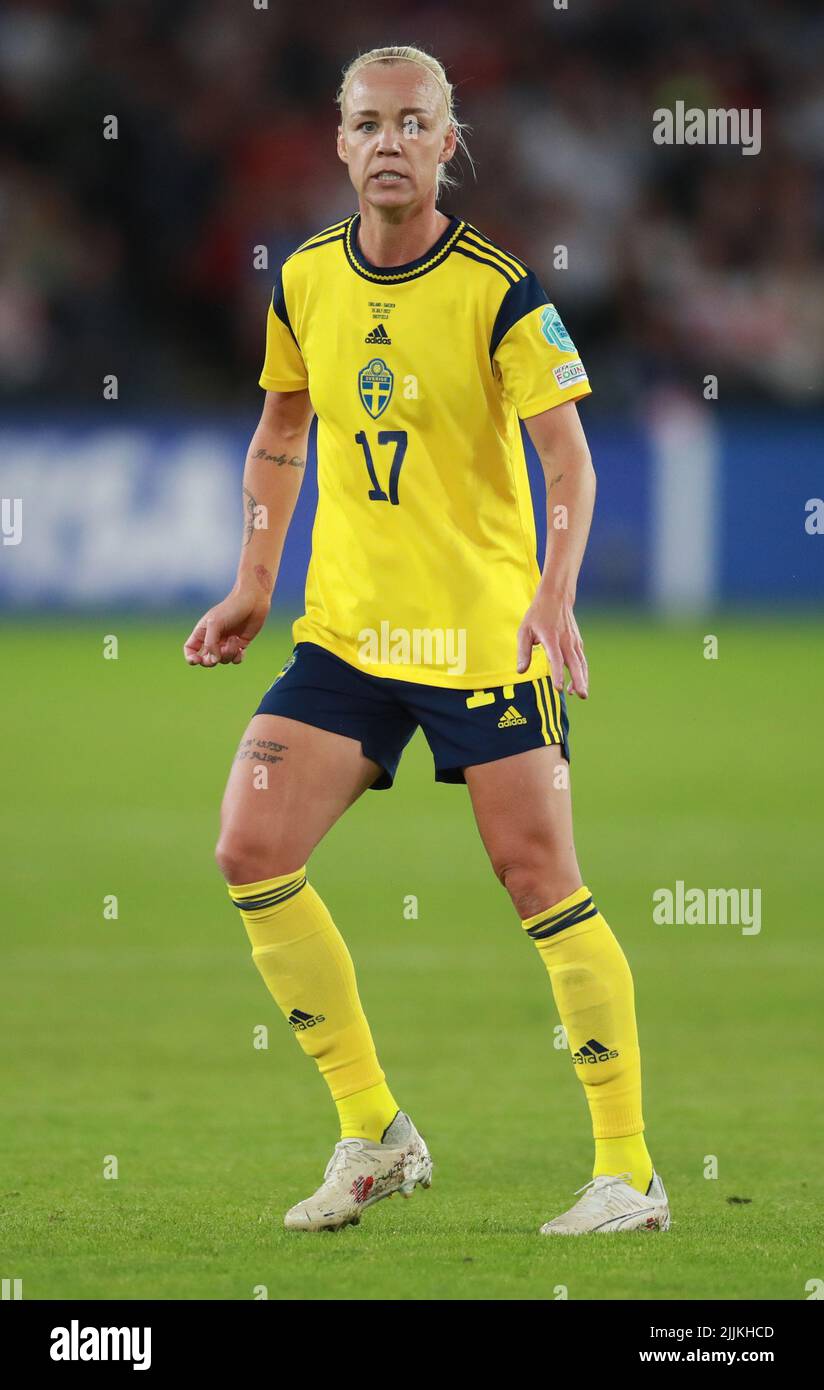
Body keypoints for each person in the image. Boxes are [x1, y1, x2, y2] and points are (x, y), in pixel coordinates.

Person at [184, 44, 670, 1236]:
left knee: (537, 879)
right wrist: (254, 582)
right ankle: (374, 1133)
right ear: (338, 141)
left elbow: (566, 457)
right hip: (346, 638)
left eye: (414, 123)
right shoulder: (301, 279)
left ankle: (629, 1173)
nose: (390, 142)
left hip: (479, 640)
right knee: (249, 848)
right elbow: (279, 430)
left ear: (448, 143)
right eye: (368, 123)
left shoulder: (499, 290)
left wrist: (552, 597)